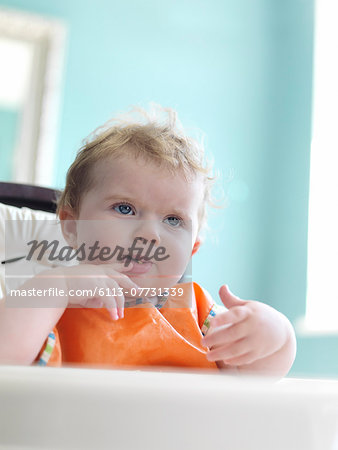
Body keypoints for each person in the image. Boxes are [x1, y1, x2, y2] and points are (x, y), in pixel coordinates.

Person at [0, 105, 296, 376]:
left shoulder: (198, 315)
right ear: (72, 226)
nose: (149, 234)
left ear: (192, 249)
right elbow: (6, 357)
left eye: (173, 220)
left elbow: (260, 376)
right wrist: (58, 284)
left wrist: (276, 336)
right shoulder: (50, 306)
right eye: (125, 208)